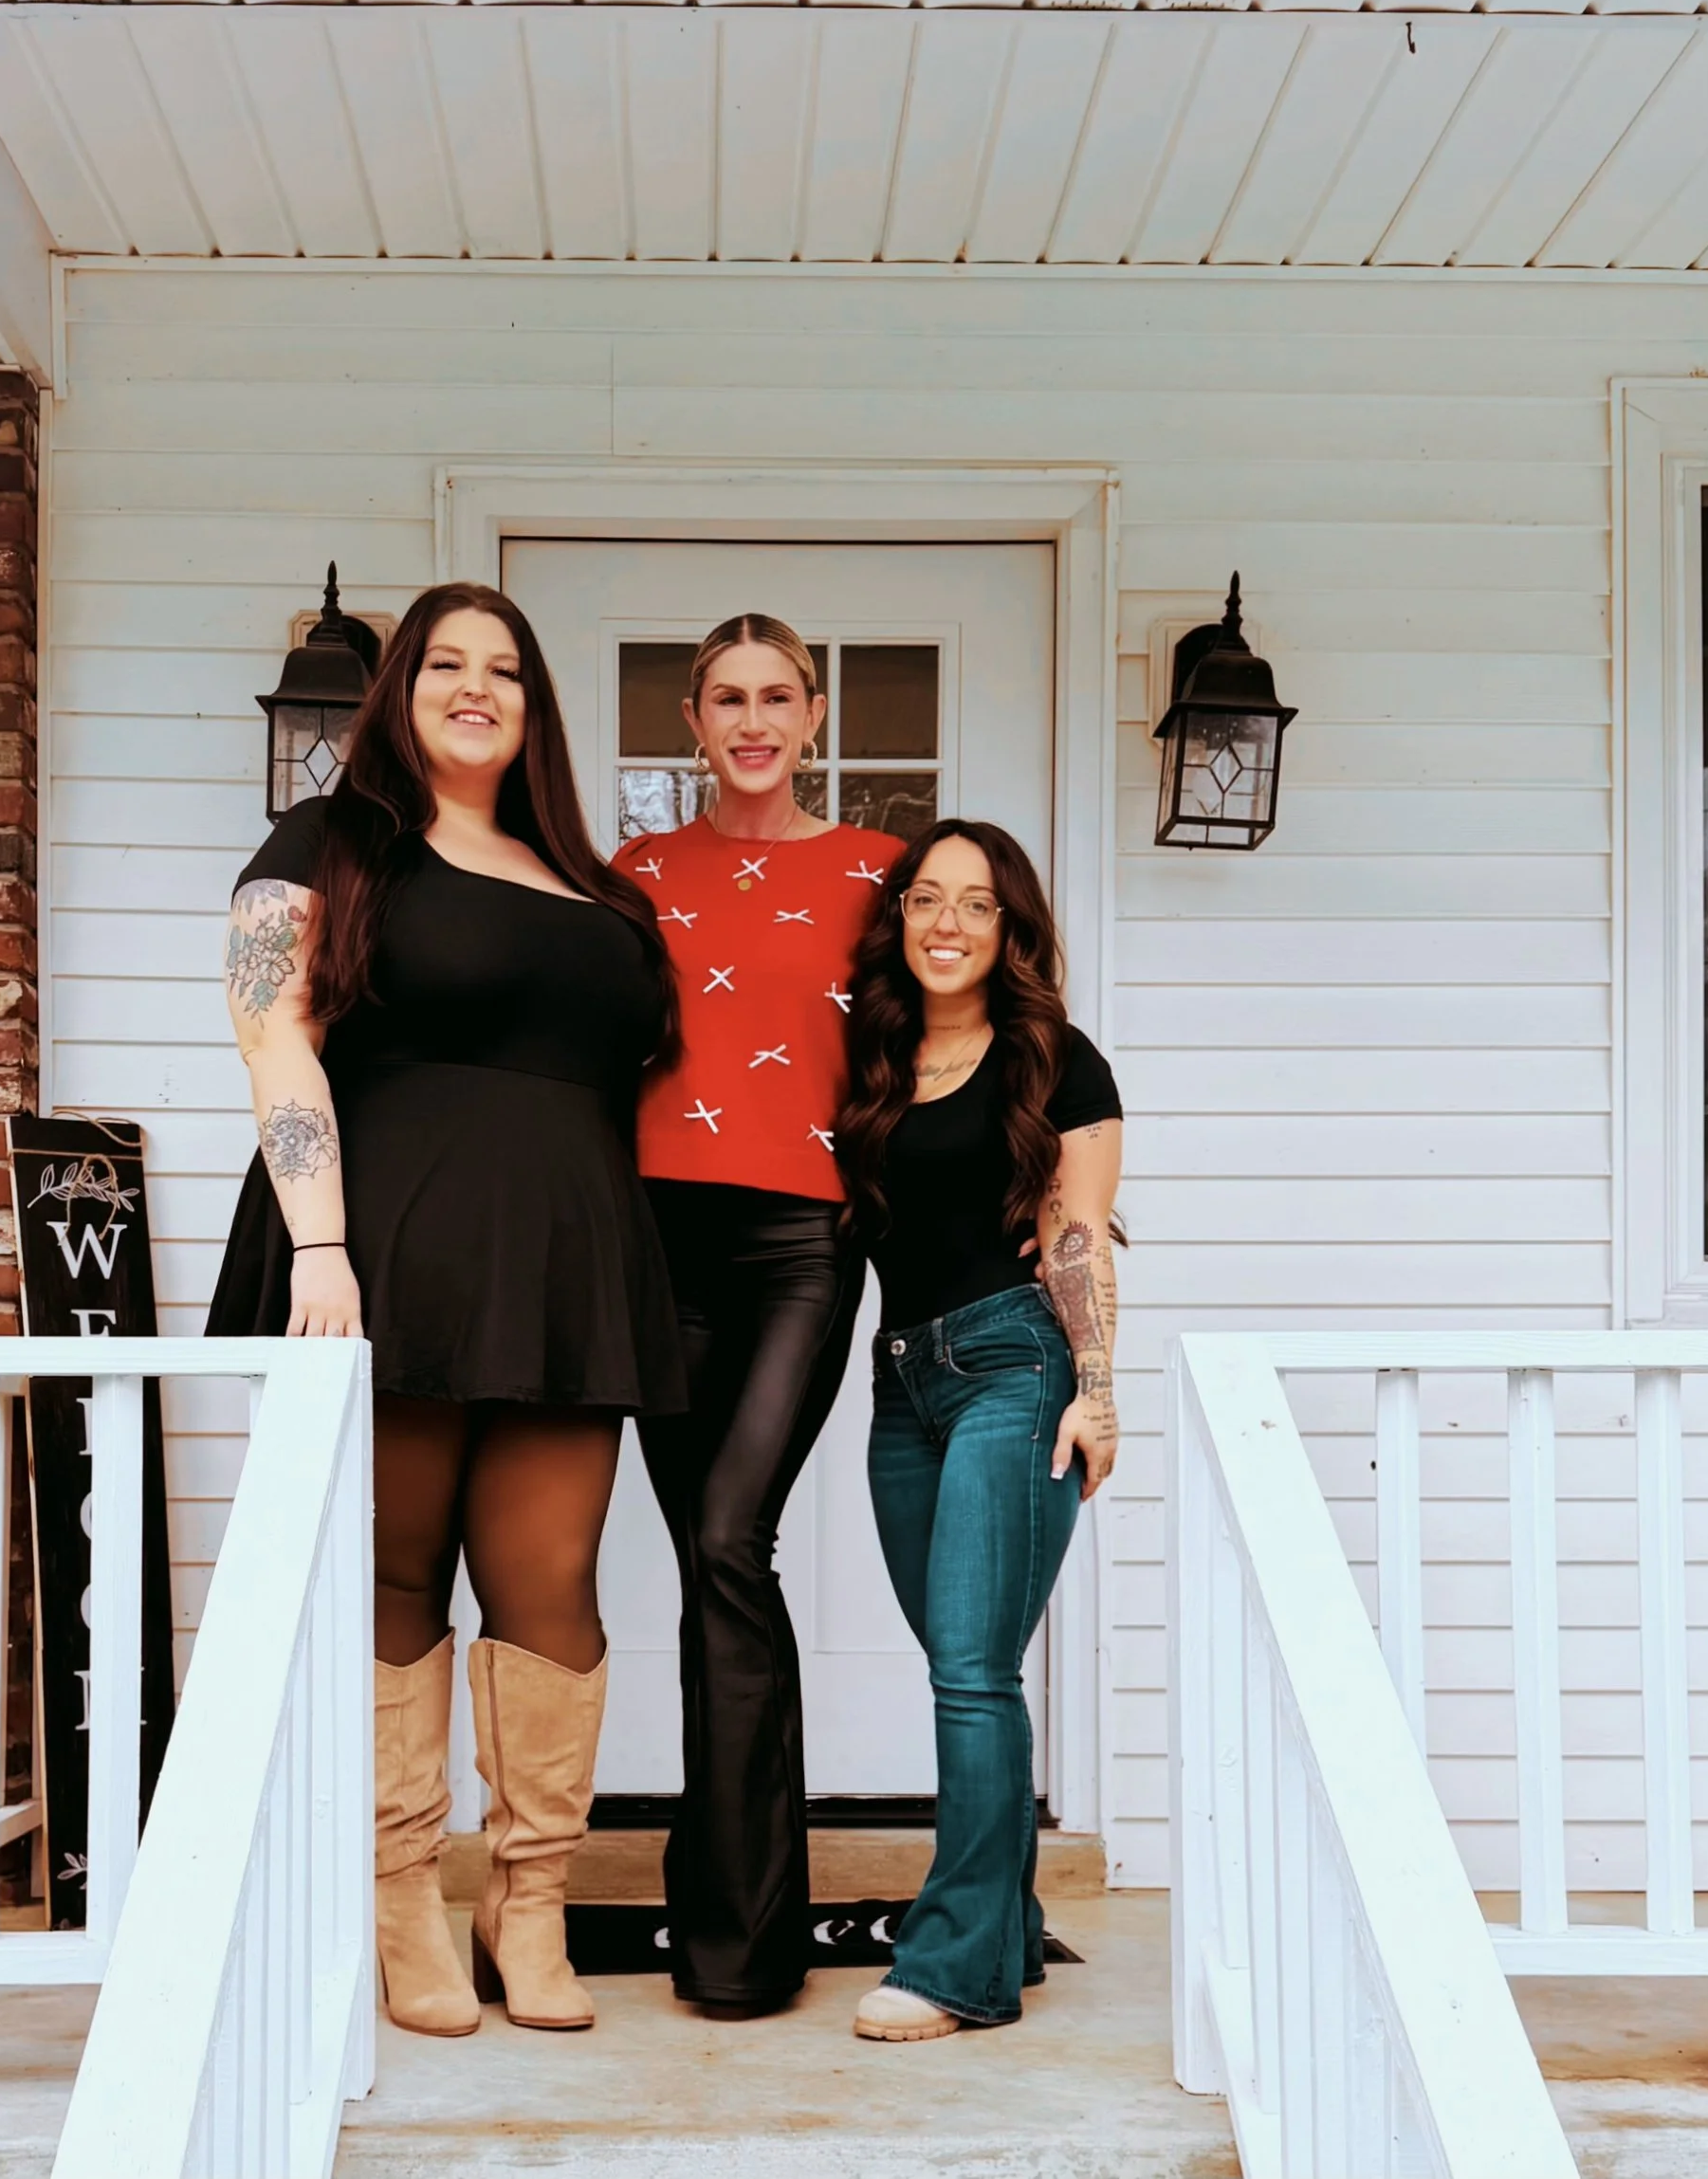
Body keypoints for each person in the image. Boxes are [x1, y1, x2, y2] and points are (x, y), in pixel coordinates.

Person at [208, 581, 683, 2039]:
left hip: (562, 1261)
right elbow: (270, 1027)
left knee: (553, 1582)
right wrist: (321, 1243)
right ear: (400, 688)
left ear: (536, 708)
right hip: (386, 1243)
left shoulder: (591, 881)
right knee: (396, 1576)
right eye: (447, 665)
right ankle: (399, 1891)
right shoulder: (331, 837)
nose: (477, 688)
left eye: (507, 671)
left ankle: (527, 1895)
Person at [612, 615, 907, 2018]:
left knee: (734, 1534)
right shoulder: (634, 873)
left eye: (775, 696)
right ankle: (731, 1907)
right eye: (725, 697)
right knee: (707, 1558)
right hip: (656, 1239)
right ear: (692, 716)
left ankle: (736, 1929)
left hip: (802, 1236)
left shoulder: (876, 872)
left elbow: (947, 1036)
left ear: (812, 711)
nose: (750, 719)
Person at [833, 818, 1122, 2041]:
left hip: (1015, 1365)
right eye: (926, 900)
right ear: (900, 919)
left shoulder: (1056, 1058)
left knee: (969, 1669)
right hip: (903, 1386)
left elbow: (1075, 1233)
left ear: (1012, 930)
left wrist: (1096, 1387)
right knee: (968, 1663)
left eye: (978, 904)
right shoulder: (874, 1056)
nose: (948, 923)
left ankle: (953, 1969)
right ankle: (1002, 1928)